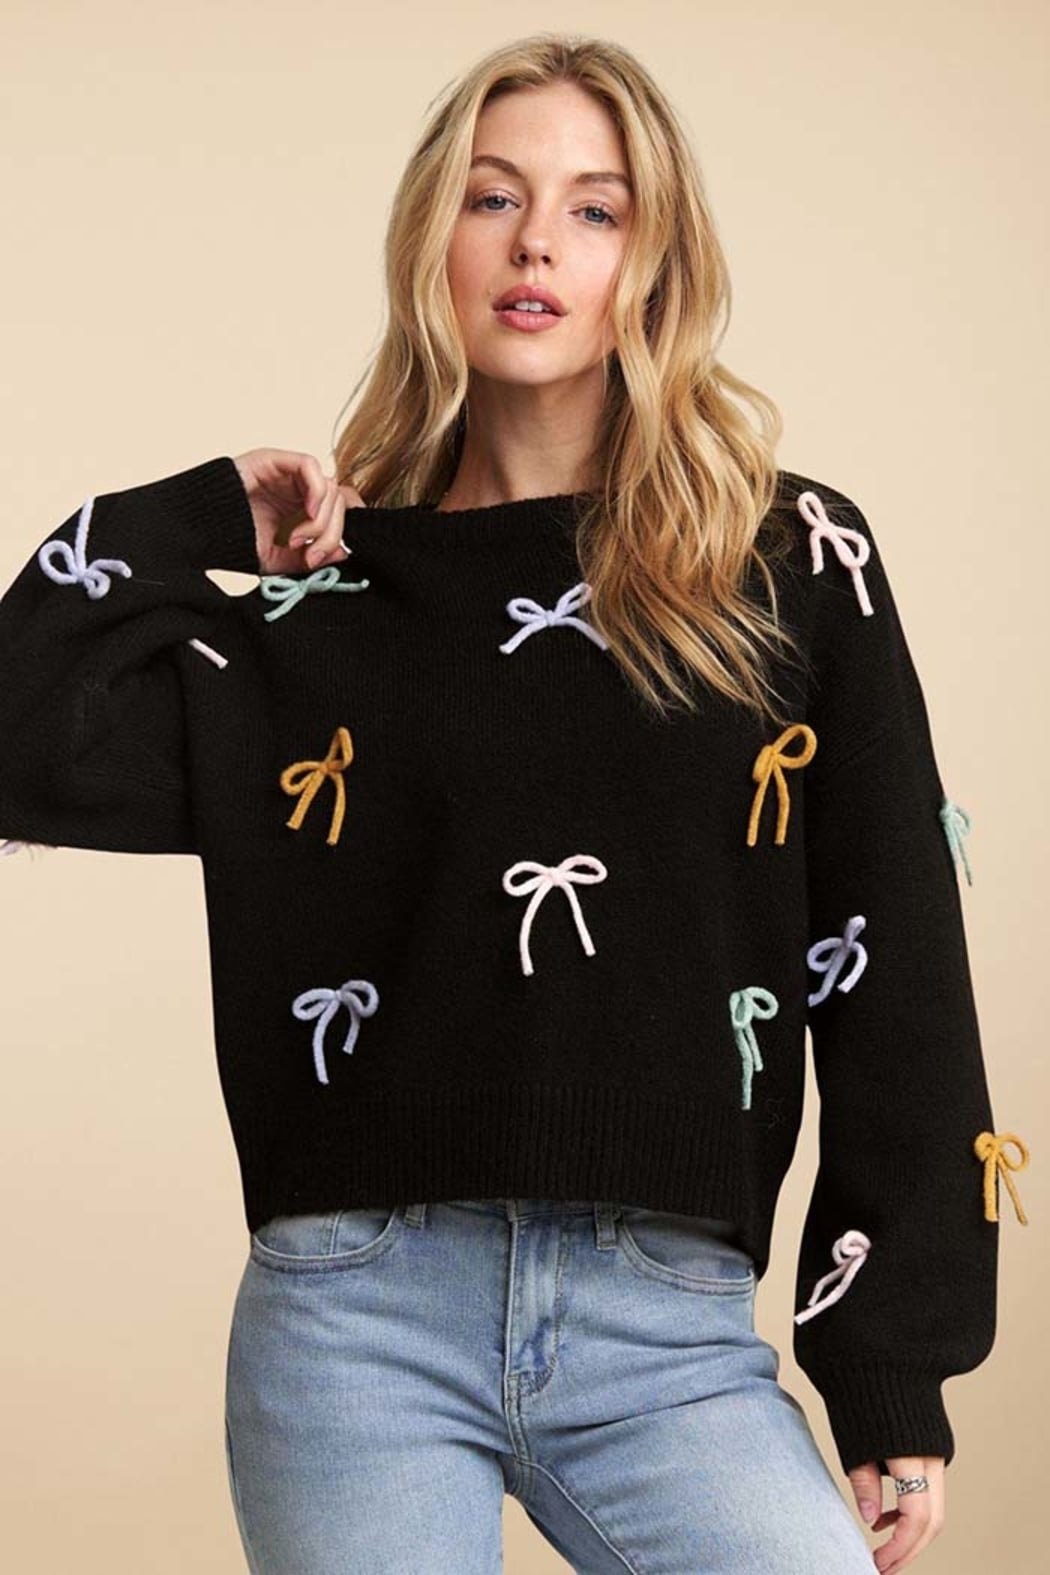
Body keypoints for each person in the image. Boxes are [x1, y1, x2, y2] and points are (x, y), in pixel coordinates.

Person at [0, 32, 1028, 1575]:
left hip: (665, 1328)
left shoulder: (786, 565)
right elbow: (19, 738)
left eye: (594, 209)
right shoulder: (327, 617)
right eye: (494, 197)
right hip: (352, 1321)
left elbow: (892, 961)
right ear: (433, 239)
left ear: (653, 263)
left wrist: (892, 1366)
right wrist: (200, 512)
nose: (537, 241)